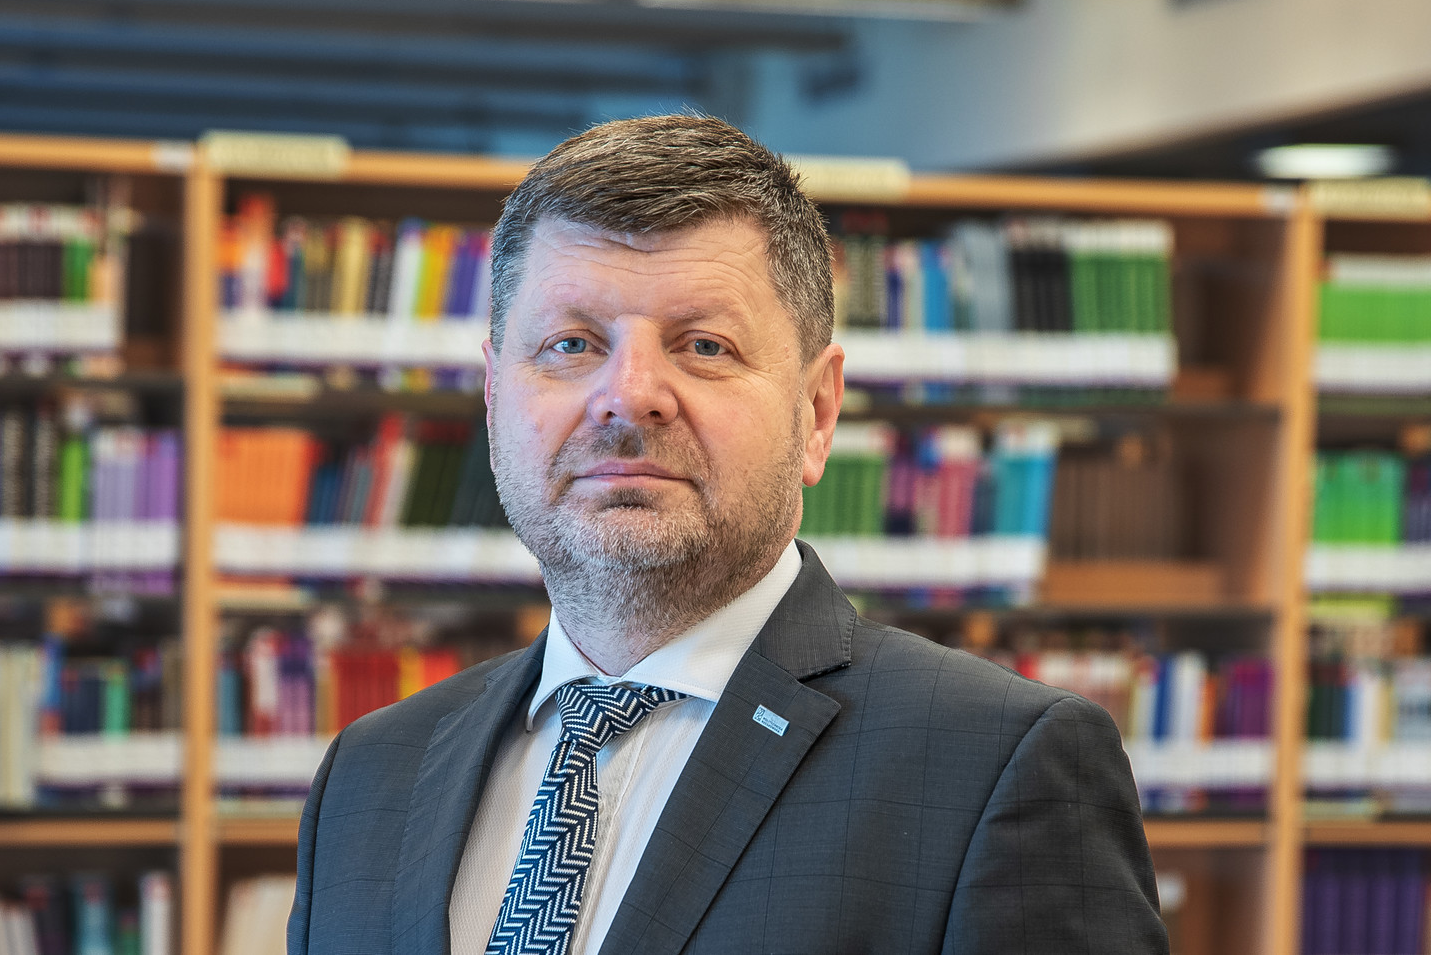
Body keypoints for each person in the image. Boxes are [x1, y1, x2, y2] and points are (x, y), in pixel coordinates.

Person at [287, 114, 1169, 955]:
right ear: (493, 398)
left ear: (817, 412)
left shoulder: (997, 767)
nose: (629, 395)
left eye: (704, 345)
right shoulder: (371, 776)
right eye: (570, 345)